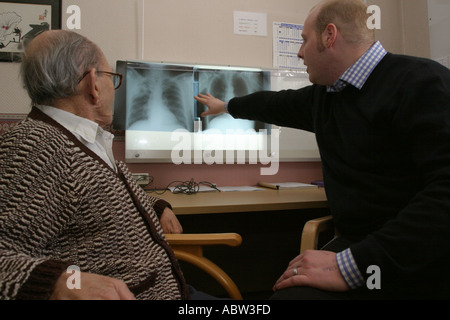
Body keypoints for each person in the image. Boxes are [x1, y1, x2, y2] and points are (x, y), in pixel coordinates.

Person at [195, 0, 450, 299]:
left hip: (421, 256)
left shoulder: (422, 82)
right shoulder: (328, 96)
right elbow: (274, 104)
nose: (300, 52)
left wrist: (353, 264)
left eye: (304, 40)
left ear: (330, 35)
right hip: (362, 248)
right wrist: (226, 106)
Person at [0, 30, 189, 300]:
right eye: (112, 78)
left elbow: (94, 198)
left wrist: (155, 207)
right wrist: (60, 283)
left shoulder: (87, 138)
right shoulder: (36, 146)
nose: (114, 88)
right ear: (93, 83)